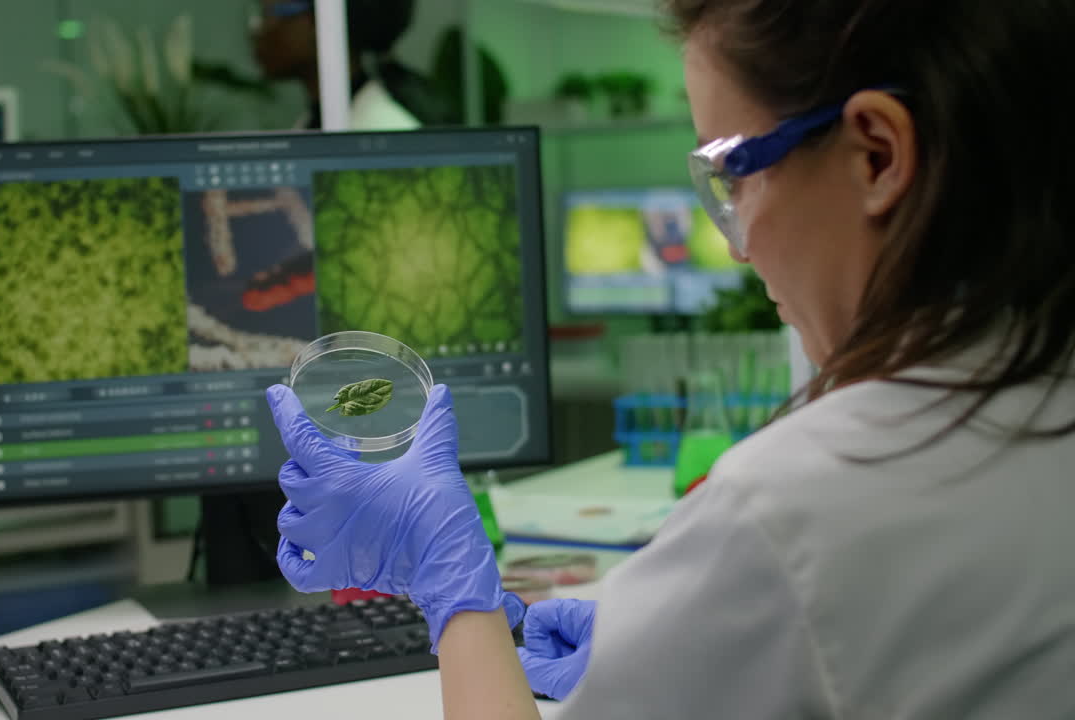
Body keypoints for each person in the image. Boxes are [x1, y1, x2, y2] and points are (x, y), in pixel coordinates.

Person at [265, 0, 1075, 717]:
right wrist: (681, 647)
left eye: (733, 173)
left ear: (877, 155)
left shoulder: (787, 512)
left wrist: (454, 594)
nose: (738, 246)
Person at [249, 0, 453, 130]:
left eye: (267, 13)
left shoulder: (385, 128)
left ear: (319, 23)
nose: (255, 29)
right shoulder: (318, 119)